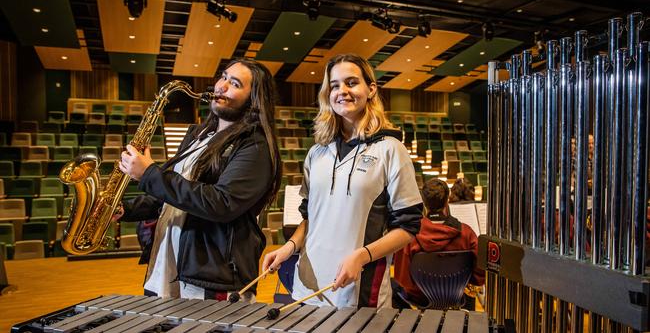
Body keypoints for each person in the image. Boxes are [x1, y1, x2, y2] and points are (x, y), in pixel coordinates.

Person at [263, 53, 423, 308]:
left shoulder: (391, 149)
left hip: (359, 289)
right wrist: (289, 247)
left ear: (371, 89)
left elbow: (408, 227)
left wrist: (362, 256)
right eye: (334, 85)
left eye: (351, 82)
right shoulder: (317, 152)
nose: (342, 91)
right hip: (308, 285)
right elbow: (310, 218)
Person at [117, 58, 282, 301]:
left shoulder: (255, 146)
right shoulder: (197, 134)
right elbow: (172, 196)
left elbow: (221, 203)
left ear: (254, 99)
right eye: (223, 77)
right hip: (166, 265)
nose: (221, 86)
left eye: (234, 83)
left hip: (211, 276)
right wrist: (125, 209)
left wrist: (150, 174)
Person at [393, 178, 485, 309]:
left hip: (421, 299)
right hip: (457, 296)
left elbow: (403, 279)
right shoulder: (466, 233)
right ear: (447, 200)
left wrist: (424, 288)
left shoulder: (409, 236)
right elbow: (479, 274)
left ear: (423, 203)